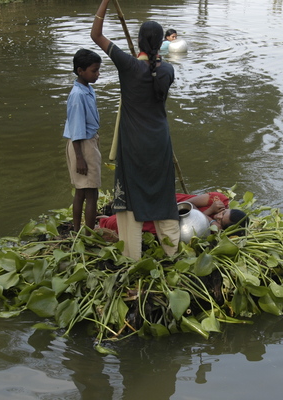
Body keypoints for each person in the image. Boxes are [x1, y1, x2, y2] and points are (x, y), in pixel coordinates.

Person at [92, 1, 179, 260]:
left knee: (130, 200)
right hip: (160, 141)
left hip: (134, 144)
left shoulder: (128, 66)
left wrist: (105, 2)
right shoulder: (168, 70)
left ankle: (133, 259)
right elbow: (152, 69)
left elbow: (95, 35)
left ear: (139, 42)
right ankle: (172, 253)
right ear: (160, 43)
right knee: (164, 195)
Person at [63, 49, 102, 232]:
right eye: (94, 70)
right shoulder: (77, 96)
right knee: (90, 192)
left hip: (87, 142)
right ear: (80, 70)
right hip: (82, 145)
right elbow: (77, 129)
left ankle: (80, 230)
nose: (97, 74)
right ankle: (87, 232)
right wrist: (80, 157)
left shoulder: (87, 88)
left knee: (82, 191)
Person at [99, 192, 236, 233]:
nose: (219, 215)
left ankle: (103, 221)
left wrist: (212, 223)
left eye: (221, 219)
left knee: (116, 224)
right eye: (224, 212)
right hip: (171, 205)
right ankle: (102, 216)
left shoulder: (216, 230)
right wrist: (210, 214)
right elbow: (188, 205)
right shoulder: (219, 200)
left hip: (169, 220)